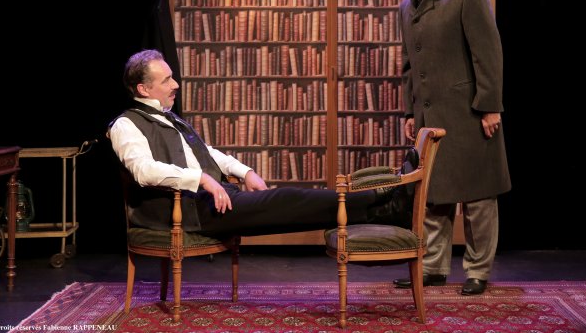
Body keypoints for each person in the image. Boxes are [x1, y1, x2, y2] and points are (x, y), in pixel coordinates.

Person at [109, 49, 402, 238]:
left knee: (288, 214)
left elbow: (205, 152)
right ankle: (380, 198)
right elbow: (143, 171)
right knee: (285, 200)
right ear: (143, 89)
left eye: (172, 77)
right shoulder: (126, 125)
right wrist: (202, 179)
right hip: (186, 211)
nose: (175, 85)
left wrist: (245, 171)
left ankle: (383, 209)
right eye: (166, 80)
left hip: (211, 200)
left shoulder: (170, 117)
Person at [382, 0, 511, 295]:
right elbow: (409, 66)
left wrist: (490, 107)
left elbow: (488, 54)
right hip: (430, 119)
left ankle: (477, 271)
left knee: (478, 197)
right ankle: (433, 267)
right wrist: (410, 113)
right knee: (433, 196)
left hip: (469, 114)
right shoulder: (407, 6)